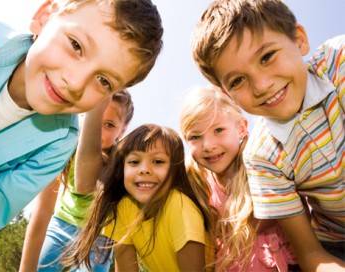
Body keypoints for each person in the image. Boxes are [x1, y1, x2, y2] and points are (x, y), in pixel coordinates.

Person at [191, 0, 345, 270]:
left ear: (299, 40)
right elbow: (310, 255)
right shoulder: (262, 156)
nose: (262, 86)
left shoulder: (339, 62)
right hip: (336, 245)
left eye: (266, 57)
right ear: (229, 94)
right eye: (238, 80)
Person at [0, 0, 163, 232]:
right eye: (76, 45)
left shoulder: (59, 142)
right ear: (45, 17)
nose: (75, 82)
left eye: (103, 81)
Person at [61, 124, 212, 271]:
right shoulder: (124, 206)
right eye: (134, 162)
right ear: (122, 169)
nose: (144, 170)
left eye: (158, 161)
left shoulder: (180, 207)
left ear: (175, 171)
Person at [180, 86, 296, 271]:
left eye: (218, 130)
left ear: (241, 128)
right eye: (195, 137)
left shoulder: (261, 165)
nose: (208, 145)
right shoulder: (197, 181)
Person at [19, 90, 134, 272]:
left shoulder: (121, 163)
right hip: (61, 224)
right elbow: (43, 210)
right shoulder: (62, 150)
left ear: (123, 129)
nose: (97, 130)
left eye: (109, 125)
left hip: (100, 235)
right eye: (94, 117)